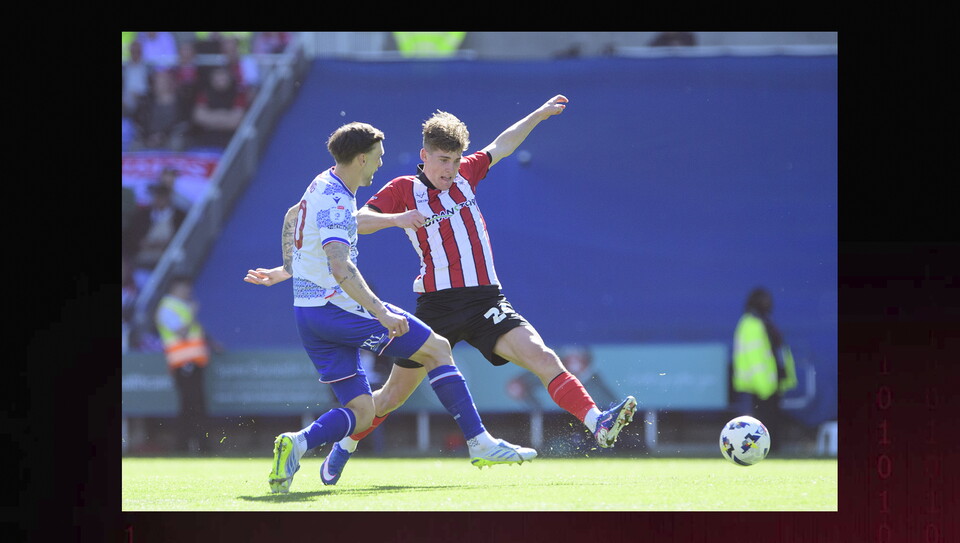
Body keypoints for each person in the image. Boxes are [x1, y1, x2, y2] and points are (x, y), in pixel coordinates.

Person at [322, 95, 638, 484]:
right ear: (424, 155)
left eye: (456, 161)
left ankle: (598, 422)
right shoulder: (404, 189)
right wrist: (398, 218)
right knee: (389, 399)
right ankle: (344, 447)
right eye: (442, 160)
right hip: (438, 306)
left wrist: (538, 115)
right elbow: (358, 220)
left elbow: (501, 145)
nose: (450, 170)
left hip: (487, 299)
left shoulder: (468, 174)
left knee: (543, 357)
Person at [243, 122, 536, 493]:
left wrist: (286, 269)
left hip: (308, 315)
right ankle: (479, 442)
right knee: (438, 348)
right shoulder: (337, 199)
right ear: (362, 158)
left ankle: (297, 442)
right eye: (378, 158)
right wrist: (381, 312)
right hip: (339, 310)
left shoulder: (323, 182)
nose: (381, 164)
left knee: (363, 410)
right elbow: (340, 265)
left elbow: (293, 215)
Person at [155, 277, 218, 454]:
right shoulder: (167, 307)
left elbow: (194, 333)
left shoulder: (181, 306)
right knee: (190, 404)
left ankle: (199, 446)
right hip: (183, 363)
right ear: (174, 287)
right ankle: (184, 445)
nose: (188, 291)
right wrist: (192, 313)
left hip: (194, 363)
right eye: (184, 287)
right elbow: (181, 332)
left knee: (197, 404)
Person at [731, 287, 798, 440]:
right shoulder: (750, 324)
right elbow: (755, 358)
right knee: (762, 421)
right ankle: (765, 449)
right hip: (760, 385)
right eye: (764, 300)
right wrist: (764, 385)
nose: (768, 303)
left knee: (773, 420)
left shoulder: (765, 322)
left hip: (772, 382)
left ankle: (773, 448)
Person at [122, 182, 187, 289]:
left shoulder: (180, 217)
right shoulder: (141, 216)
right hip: (142, 262)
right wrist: (140, 243)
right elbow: (129, 238)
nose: (158, 200)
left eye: (162, 197)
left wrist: (165, 245)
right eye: (156, 196)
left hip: (168, 263)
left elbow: (184, 239)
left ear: (168, 198)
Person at [190, 65, 248, 149]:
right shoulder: (205, 94)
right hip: (206, 138)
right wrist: (226, 115)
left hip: (231, 140)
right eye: (217, 75)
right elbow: (198, 117)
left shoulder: (238, 95)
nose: (220, 78)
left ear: (229, 77)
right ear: (212, 78)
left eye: (223, 75)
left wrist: (210, 118)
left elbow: (235, 122)